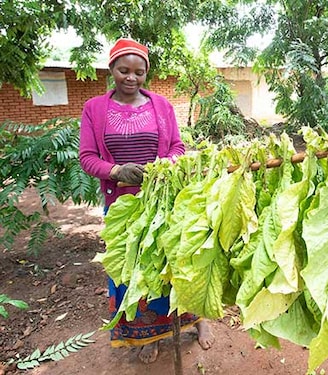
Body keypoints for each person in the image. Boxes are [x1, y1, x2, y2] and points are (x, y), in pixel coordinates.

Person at [79, 37, 214, 364]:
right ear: (111, 69)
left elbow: (177, 149)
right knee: (135, 272)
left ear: (146, 73)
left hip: (164, 201)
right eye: (123, 70)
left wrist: (163, 167)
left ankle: (198, 321)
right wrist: (116, 171)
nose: (131, 77)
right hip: (123, 208)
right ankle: (149, 336)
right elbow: (87, 157)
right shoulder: (95, 109)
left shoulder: (162, 106)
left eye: (139, 72)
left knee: (177, 263)